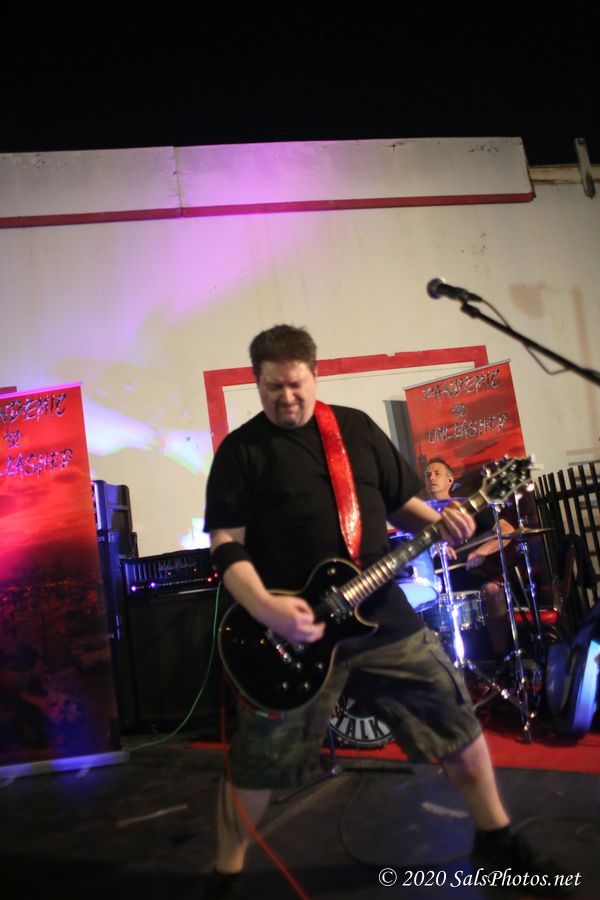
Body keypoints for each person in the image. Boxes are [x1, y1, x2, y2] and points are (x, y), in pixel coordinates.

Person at [203, 325, 565, 899]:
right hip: (292, 630)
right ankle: (225, 875)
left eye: (295, 385)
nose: (286, 398)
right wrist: (265, 606)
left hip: (380, 614)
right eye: (273, 387)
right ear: (257, 382)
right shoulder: (241, 452)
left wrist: (445, 522)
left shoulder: (354, 430)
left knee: (454, 717)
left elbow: (403, 504)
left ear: (314, 374)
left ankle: (497, 839)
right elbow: (226, 542)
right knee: (257, 760)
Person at [424, 457, 513, 658]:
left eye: (437, 473)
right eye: (428, 475)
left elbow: (506, 530)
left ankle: (501, 657)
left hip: (470, 573)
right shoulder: (421, 515)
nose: (431, 478)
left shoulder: (468, 507)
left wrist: (481, 552)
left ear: (450, 480)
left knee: (493, 590)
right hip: (437, 579)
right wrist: (434, 548)